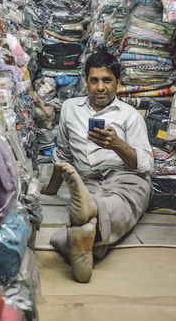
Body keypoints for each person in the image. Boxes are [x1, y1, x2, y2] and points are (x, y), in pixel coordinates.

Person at [41, 49, 154, 283]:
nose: (100, 87)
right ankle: (88, 226)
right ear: (86, 81)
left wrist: (117, 145)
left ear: (117, 83)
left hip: (127, 177)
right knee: (89, 199)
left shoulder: (130, 116)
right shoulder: (70, 109)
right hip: (89, 180)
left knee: (121, 202)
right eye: (94, 80)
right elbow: (63, 153)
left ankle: (78, 238)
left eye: (107, 80)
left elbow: (145, 164)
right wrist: (51, 190)